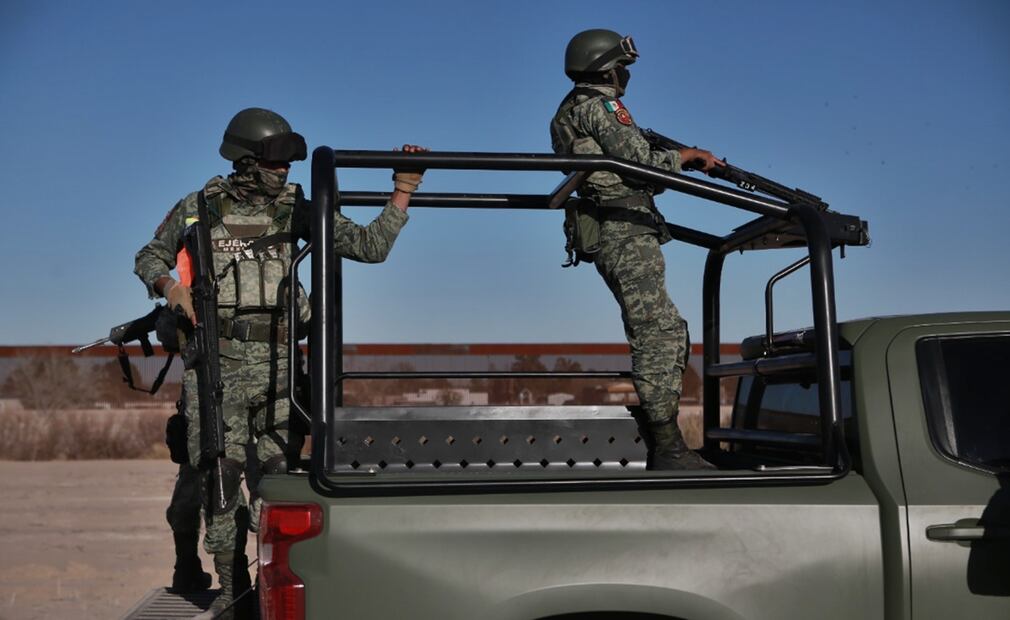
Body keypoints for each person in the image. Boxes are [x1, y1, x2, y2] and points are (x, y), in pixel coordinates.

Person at [135, 107, 426, 618]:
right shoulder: (197, 207)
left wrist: (403, 188)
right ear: (246, 160)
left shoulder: (295, 209)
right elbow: (148, 256)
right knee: (219, 480)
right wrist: (170, 286)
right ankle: (231, 590)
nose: (285, 172)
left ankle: (272, 580)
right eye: (276, 162)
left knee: (277, 477)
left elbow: (369, 246)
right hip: (216, 367)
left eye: (289, 163)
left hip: (280, 366)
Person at [550, 30, 724, 470]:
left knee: (663, 328)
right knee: (658, 333)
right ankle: (667, 447)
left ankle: (665, 442)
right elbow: (639, 165)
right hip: (624, 229)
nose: (625, 75)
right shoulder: (602, 105)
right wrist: (685, 157)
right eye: (621, 66)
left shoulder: (570, 109)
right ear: (605, 67)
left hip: (612, 228)